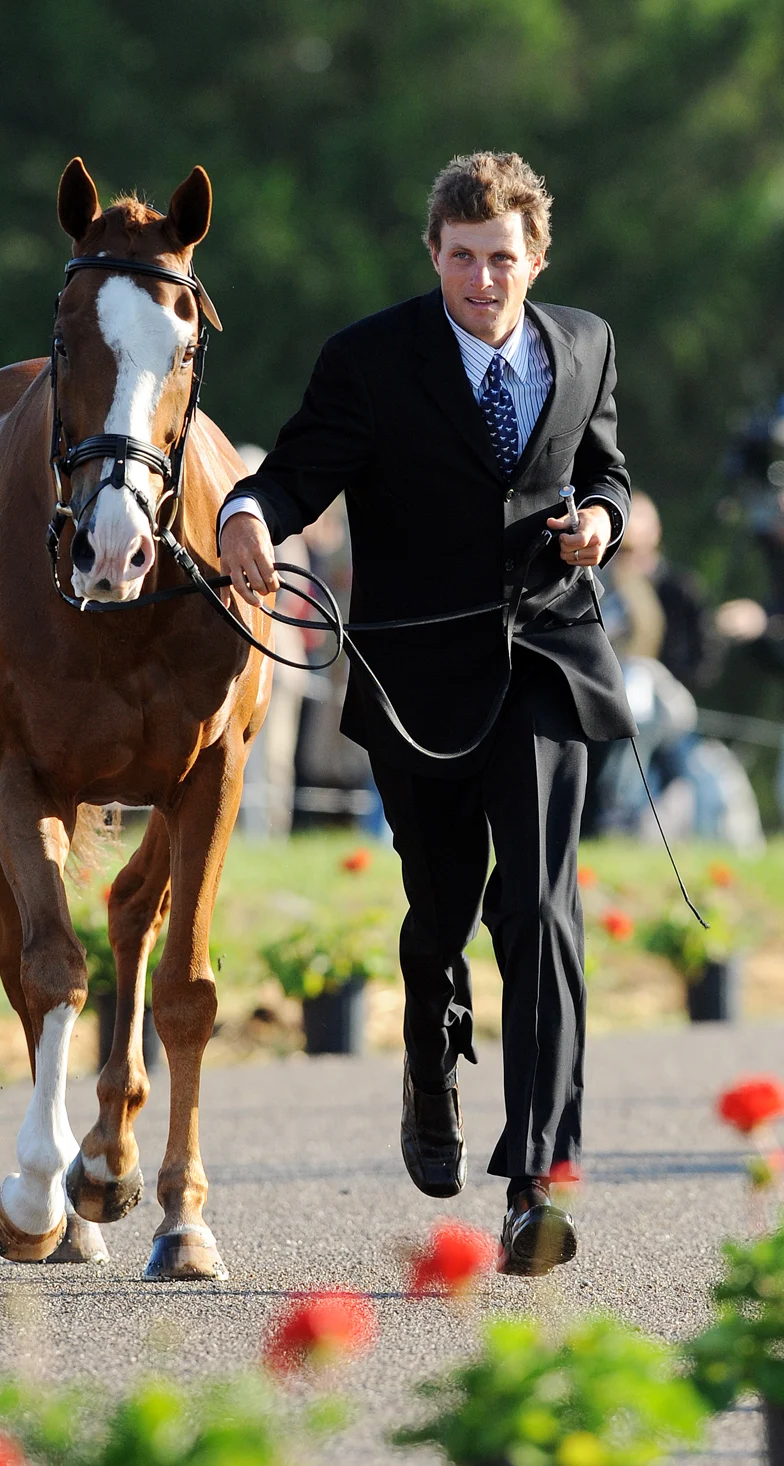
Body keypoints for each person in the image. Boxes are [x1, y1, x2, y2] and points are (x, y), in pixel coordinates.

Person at [218, 151, 633, 1275]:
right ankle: (426, 1054)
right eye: (462, 259)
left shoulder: (584, 343)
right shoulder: (368, 359)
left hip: (547, 656)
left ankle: (537, 1181)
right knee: (439, 910)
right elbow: (295, 475)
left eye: (502, 259)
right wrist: (249, 511)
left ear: (535, 257)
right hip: (416, 677)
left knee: (540, 909)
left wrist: (598, 517)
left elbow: (606, 471)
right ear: (433, 254)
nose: (482, 280)